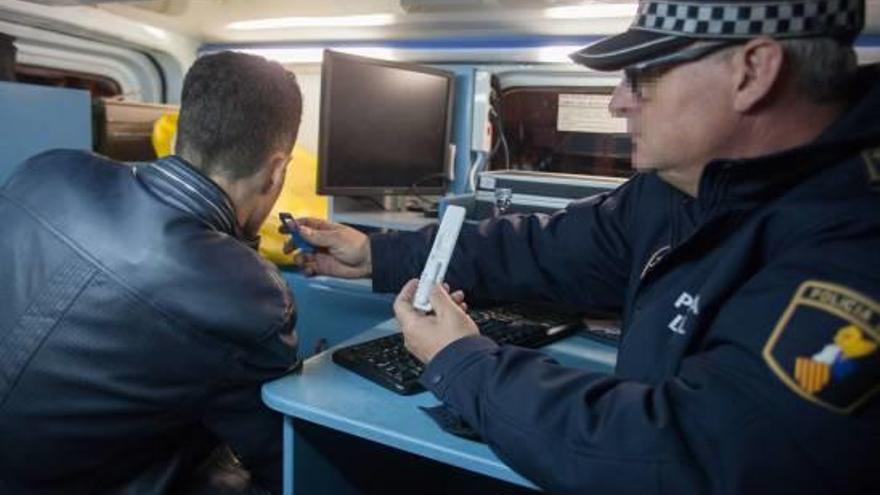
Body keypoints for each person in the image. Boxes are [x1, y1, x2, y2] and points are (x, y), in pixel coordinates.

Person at [292, 0, 880, 493]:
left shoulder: (852, 248)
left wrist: (463, 364)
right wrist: (379, 255)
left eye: (643, 75)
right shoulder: (680, 188)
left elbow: (684, 452)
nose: (619, 101)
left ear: (753, 72)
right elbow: (542, 250)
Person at [0, 51, 302, 494]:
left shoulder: (49, 170)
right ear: (277, 172)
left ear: (179, 134)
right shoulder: (251, 299)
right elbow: (281, 456)